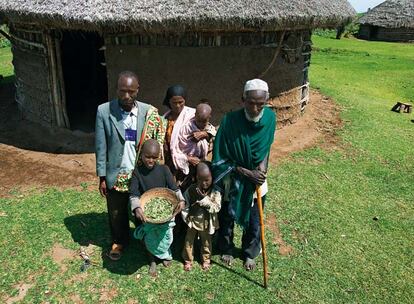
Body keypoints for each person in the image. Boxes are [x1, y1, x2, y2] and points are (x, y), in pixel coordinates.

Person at [95, 71, 165, 261]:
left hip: (139, 172)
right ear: (116, 89)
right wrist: (102, 176)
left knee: (142, 208)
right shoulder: (104, 111)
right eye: (122, 91)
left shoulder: (148, 112)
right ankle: (119, 241)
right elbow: (101, 146)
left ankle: (146, 239)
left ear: (138, 90)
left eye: (131, 92)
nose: (126, 96)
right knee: (116, 211)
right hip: (117, 172)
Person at [212, 79, 276, 271]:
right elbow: (220, 155)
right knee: (228, 215)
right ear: (243, 99)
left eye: (260, 103)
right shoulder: (230, 121)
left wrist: (262, 170)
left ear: (267, 100)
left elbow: (266, 147)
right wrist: (246, 172)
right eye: (250, 102)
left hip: (257, 180)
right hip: (234, 178)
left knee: (255, 219)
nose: (255, 108)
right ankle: (227, 247)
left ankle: (250, 252)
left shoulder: (270, 119)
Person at [129, 139, 185, 276]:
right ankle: (152, 260)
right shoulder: (137, 172)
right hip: (146, 213)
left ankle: (165, 254)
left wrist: (181, 200)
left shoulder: (164, 170)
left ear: (159, 156)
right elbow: (134, 193)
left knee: (166, 236)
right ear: (141, 155)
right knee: (150, 237)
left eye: (154, 157)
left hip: (164, 214)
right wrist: (137, 208)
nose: (151, 160)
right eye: (147, 157)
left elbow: (174, 188)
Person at [181, 162, 221, 271]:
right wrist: (186, 217)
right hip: (193, 221)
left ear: (212, 177)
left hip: (207, 223)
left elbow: (216, 208)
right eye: (200, 180)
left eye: (207, 180)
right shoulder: (191, 190)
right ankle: (188, 259)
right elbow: (185, 204)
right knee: (188, 241)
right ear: (195, 178)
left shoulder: (215, 191)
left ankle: (206, 260)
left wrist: (204, 200)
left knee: (206, 242)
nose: (204, 183)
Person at [173, 103, 216, 190]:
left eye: (204, 121)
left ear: (209, 117)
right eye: (198, 120)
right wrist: (187, 158)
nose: (200, 124)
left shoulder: (209, 129)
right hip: (187, 164)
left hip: (202, 163)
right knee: (185, 187)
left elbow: (215, 138)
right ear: (195, 115)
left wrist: (206, 134)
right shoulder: (186, 128)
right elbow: (177, 149)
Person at [162, 85, 196, 186]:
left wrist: (203, 134)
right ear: (168, 101)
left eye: (180, 102)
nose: (177, 106)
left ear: (185, 100)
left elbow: (209, 130)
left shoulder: (193, 115)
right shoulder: (164, 119)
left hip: (192, 163)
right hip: (171, 163)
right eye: (174, 103)